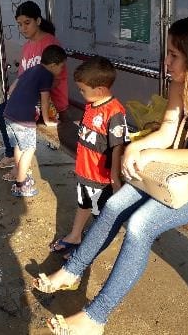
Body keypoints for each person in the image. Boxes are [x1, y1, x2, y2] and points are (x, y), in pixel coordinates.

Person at [33, 15, 188, 334]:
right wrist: (134, 149)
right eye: (168, 53)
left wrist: (150, 154)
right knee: (114, 205)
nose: (167, 63)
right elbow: (167, 132)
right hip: (183, 164)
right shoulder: (182, 81)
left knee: (141, 224)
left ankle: (96, 317)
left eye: (174, 55)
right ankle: (72, 271)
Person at [49, 56, 129, 259]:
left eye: (83, 90)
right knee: (83, 204)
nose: (81, 93)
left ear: (100, 90)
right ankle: (76, 236)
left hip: (100, 179)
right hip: (84, 173)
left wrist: (114, 177)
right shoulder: (91, 105)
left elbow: (117, 146)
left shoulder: (114, 112)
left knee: (101, 218)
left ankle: (88, 251)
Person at [0, 1, 68, 170]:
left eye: (27, 23)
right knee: (3, 110)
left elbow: (56, 79)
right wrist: (15, 87)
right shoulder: (26, 47)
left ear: (38, 21)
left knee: (9, 112)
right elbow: (24, 75)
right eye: (19, 25)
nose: (23, 28)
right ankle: (13, 153)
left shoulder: (50, 43)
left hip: (50, 102)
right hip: (34, 99)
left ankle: (14, 155)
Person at [3, 45, 67, 197]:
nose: (62, 70)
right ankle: (21, 184)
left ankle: (20, 175)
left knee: (19, 147)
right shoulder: (46, 75)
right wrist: (47, 120)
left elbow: (11, 90)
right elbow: (45, 100)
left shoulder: (31, 69)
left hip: (9, 114)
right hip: (23, 119)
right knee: (29, 149)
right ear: (53, 65)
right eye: (61, 67)